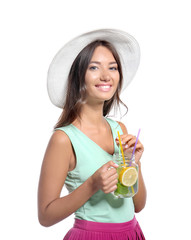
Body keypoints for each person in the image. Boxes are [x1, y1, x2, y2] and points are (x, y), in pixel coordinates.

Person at [38, 29, 147, 239]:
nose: (106, 76)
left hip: (131, 233)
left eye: (112, 68)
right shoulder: (64, 139)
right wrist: (92, 184)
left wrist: (135, 163)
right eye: (94, 67)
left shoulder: (120, 130)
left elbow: (138, 205)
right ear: (79, 76)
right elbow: (45, 216)